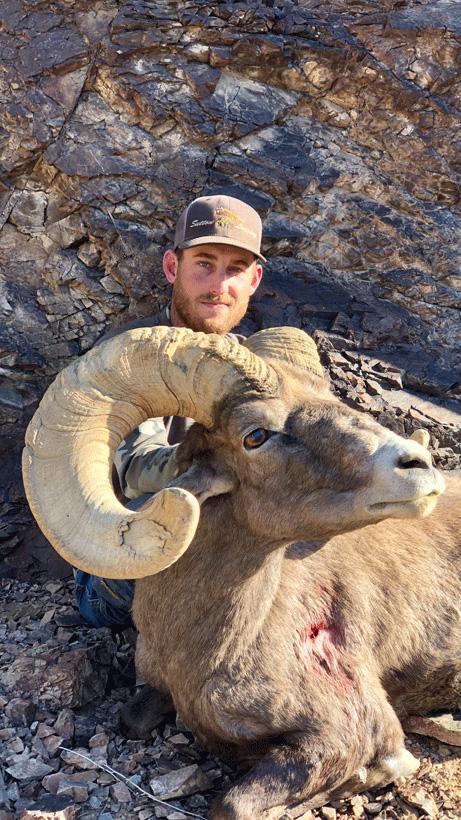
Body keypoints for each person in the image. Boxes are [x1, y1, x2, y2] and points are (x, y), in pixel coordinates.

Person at [75, 194, 265, 629]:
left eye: (235, 268)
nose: (219, 284)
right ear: (171, 267)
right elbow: (137, 469)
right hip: (120, 564)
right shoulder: (127, 359)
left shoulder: (254, 367)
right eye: (204, 262)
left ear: (253, 280)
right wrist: (230, 460)